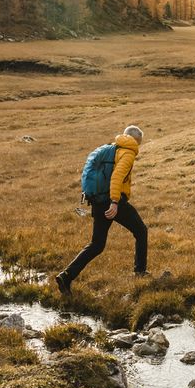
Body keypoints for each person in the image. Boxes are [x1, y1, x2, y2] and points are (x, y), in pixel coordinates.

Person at [55, 124, 147, 295]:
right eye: (139, 143)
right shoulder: (127, 153)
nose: (138, 146)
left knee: (97, 244)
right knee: (141, 231)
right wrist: (114, 202)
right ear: (135, 140)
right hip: (112, 202)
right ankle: (140, 272)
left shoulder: (110, 149)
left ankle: (66, 276)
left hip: (97, 201)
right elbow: (116, 177)